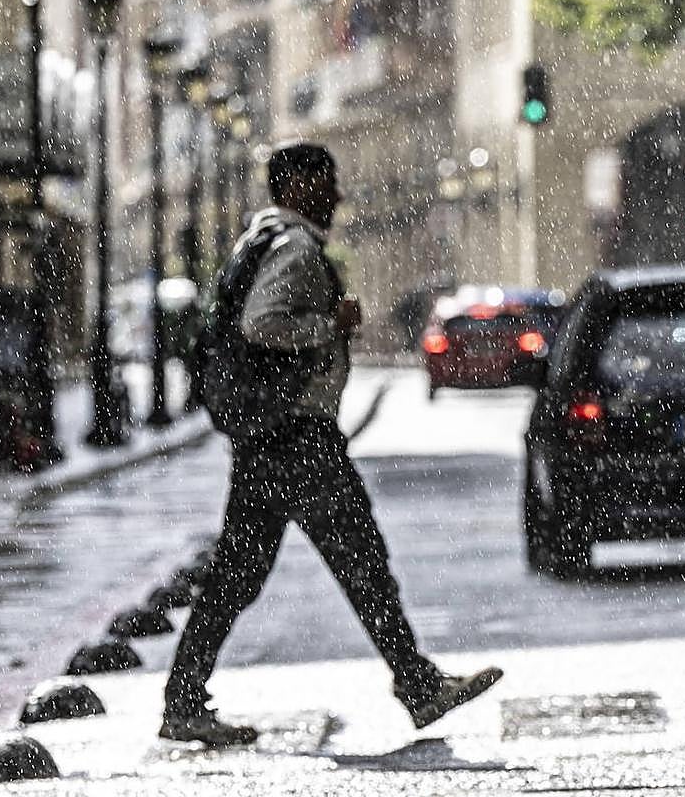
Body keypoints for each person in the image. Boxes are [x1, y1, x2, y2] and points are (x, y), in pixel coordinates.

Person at [160, 142, 503, 746]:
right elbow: (260, 325)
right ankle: (419, 686)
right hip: (297, 436)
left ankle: (183, 701)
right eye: (325, 184)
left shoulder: (256, 240)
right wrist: (331, 327)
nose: (337, 196)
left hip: (268, 436)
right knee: (360, 560)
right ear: (294, 187)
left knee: (239, 573)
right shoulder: (293, 249)